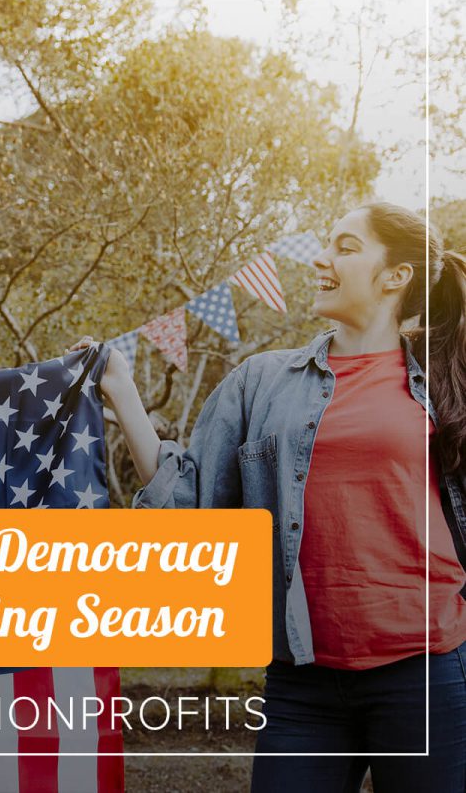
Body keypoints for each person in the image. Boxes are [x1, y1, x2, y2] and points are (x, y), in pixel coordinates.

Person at [72, 203, 466, 792]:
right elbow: (189, 495)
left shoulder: (445, 382)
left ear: (396, 276)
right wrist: (123, 391)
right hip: (302, 680)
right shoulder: (262, 380)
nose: (320, 258)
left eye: (345, 247)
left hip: (428, 670)